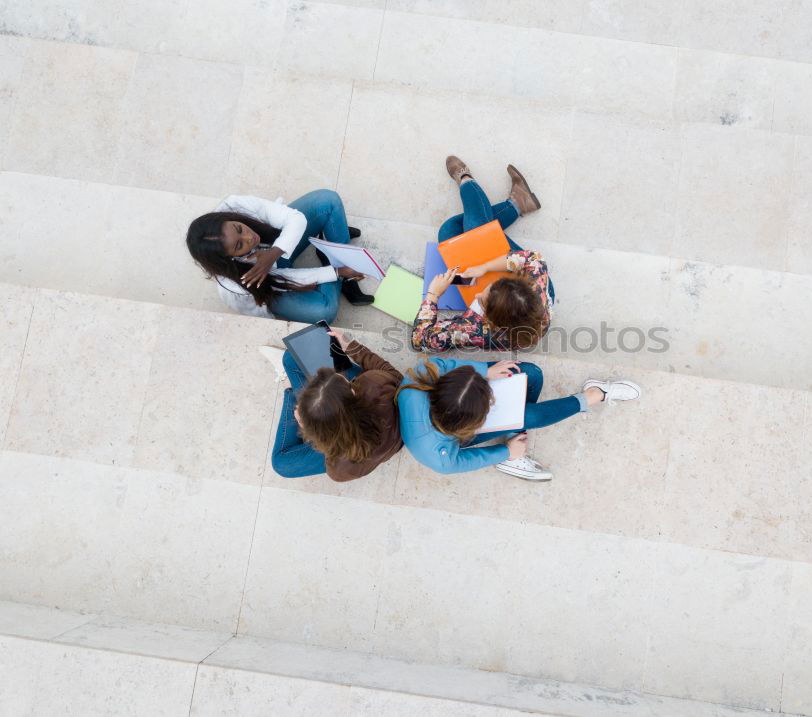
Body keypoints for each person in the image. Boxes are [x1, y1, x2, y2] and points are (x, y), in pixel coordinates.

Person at [396, 357, 641, 480]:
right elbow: (465, 460)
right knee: (531, 415)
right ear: (473, 423)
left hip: (455, 413)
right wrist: (504, 452)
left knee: (531, 373)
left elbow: (443, 364)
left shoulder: (418, 378)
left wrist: (483, 372)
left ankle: (517, 430)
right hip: (455, 437)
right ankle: (594, 395)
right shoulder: (440, 459)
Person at [412, 156, 554, 353]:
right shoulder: (536, 283)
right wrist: (484, 268)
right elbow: (533, 259)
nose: (478, 294)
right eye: (490, 288)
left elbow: (420, 340)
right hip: (533, 300)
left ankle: (505, 200)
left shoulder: (472, 330)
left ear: (490, 320)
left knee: (450, 231)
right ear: (521, 285)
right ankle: (512, 201)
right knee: (472, 229)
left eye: (481, 302)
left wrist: (433, 294)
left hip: (509, 310)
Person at [186, 189, 374, 323]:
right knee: (325, 311)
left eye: (239, 228)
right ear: (229, 258)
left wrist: (273, 254)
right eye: (239, 245)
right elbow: (286, 280)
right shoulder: (233, 286)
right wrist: (336, 272)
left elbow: (294, 218)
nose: (250, 237)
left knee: (327, 201)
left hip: (279, 245)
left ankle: (333, 249)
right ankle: (335, 256)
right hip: (273, 288)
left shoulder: (233, 205)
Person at [265, 331, 403, 481]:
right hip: (390, 434)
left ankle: (291, 391)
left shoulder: (339, 468)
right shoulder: (374, 383)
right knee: (291, 356)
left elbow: (326, 450)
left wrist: (307, 428)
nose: (340, 374)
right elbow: (396, 376)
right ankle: (304, 402)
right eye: (342, 378)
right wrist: (351, 347)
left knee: (281, 463)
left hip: (348, 448)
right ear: (352, 391)